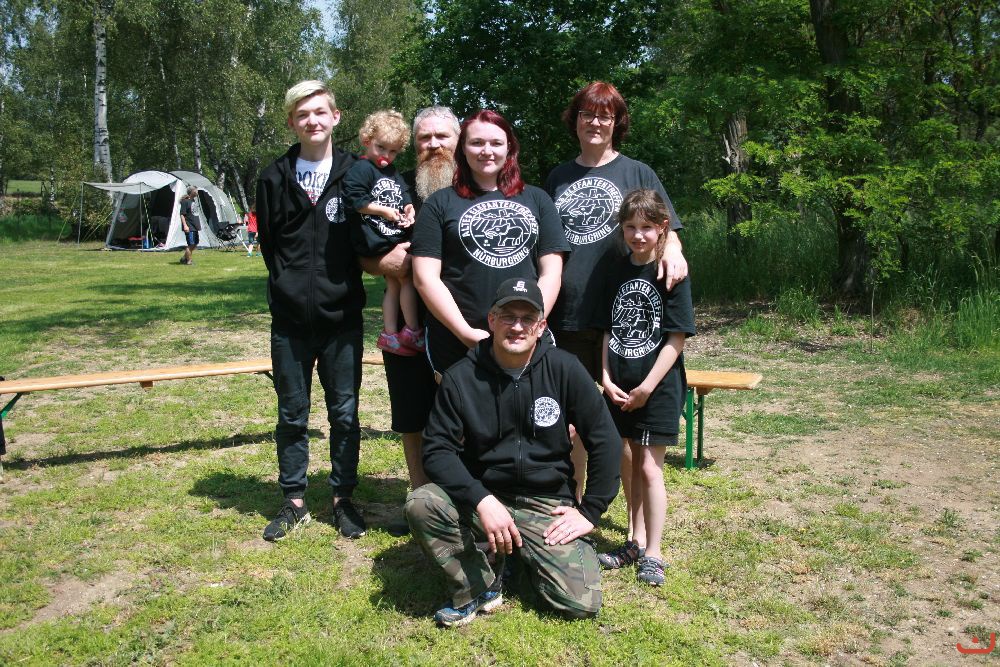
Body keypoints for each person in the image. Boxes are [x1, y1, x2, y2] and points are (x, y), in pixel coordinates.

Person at [405, 277, 622, 626]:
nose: (517, 326)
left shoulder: (565, 369)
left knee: (580, 602)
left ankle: (516, 558)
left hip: (546, 503)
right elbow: (436, 450)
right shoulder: (461, 376)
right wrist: (481, 499)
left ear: (541, 326)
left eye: (527, 318)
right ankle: (478, 586)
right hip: (485, 497)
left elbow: (605, 439)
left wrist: (590, 511)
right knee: (422, 503)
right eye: (508, 316)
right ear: (491, 320)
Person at [545, 81, 689, 500]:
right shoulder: (558, 177)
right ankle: (571, 508)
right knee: (570, 424)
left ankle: (635, 525)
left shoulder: (637, 172)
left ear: (617, 123)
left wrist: (674, 252)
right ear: (575, 120)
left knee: (626, 428)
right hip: (569, 316)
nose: (595, 122)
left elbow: (667, 228)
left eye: (604, 116)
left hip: (627, 320)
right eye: (587, 114)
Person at [255, 80, 367, 542]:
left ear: (335, 117)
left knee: (345, 414)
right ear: (291, 122)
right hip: (290, 322)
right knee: (291, 414)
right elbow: (270, 246)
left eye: (320, 112)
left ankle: (343, 499)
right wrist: (288, 286)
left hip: (343, 319)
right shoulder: (273, 177)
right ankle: (294, 500)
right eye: (303, 114)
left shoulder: (357, 172)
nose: (312, 121)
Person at [352, 106, 460, 534]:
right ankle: (420, 501)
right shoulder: (396, 186)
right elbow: (358, 246)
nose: (434, 145)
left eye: (442, 136)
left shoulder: (477, 185)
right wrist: (381, 262)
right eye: (424, 138)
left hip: (460, 318)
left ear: (458, 140)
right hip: (407, 322)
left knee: (464, 412)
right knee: (412, 413)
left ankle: (464, 500)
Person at [411, 110, 569, 376]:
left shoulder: (538, 199)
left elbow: (551, 272)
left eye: (496, 143)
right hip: (456, 342)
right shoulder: (439, 203)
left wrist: (531, 324)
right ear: (463, 148)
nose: (487, 151)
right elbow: (425, 278)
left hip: (525, 339)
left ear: (510, 148)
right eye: (477, 143)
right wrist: (465, 333)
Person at [597, 190, 696, 586]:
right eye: (630, 227)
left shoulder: (671, 272)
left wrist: (647, 388)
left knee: (651, 469)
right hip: (619, 386)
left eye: (647, 227)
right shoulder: (615, 270)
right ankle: (635, 541)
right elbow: (608, 330)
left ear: (662, 228)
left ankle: (654, 553)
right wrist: (605, 377)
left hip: (657, 388)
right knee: (632, 465)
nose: (638, 235)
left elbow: (676, 339)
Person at [344, 110, 421, 356]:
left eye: (393, 151)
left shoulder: (391, 171)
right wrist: (384, 211)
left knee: (394, 285)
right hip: (376, 238)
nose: (386, 156)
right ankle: (412, 330)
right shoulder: (361, 168)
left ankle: (390, 333)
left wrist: (408, 208)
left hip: (390, 234)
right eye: (381, 148)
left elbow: (404, 194)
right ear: (367, 141)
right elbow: (354, 200)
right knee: (406, 278)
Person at [179, 186, 201, 265]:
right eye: (196, 190)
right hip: (189, 226)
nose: (197, 192)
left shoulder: (193, 201)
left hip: (195, 226)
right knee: (191, 244)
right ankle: (189, 261)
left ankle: (184, 258)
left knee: (195, 244)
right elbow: (182, 214)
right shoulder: (185, 202)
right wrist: (185, 225)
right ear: (191, 192)